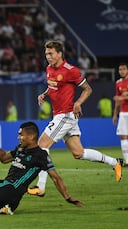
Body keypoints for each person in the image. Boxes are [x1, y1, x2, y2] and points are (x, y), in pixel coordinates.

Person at [28, 40, 123, 197]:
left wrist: (78, 102)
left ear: (59, 53)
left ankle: (41, 186)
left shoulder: (70, 70)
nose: (48, 57)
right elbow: (53, 85)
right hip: (62, 116)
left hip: (65, 115)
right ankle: (115, 163)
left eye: (51, 53)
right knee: (78, 153)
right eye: (46, 54)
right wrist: (45, 94)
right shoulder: (49, 69)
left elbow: (88, 89)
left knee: (42, 144)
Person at [113, 62, 128, 164]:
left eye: (124, 69)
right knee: (123, 136)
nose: (122, 71)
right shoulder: (118, 83)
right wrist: (115, 114)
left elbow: (120, 98)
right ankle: (127, 161)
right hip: (123, 113)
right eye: (120, 69)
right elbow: (118, 101)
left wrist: (121, 97)